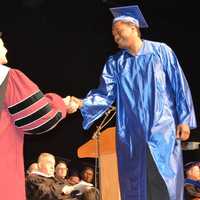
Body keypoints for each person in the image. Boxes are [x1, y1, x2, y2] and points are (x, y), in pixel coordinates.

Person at [70, 5, 197, 200]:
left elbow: (179, 85)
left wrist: (185, 119)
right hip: (131, 134)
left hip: (162, 130)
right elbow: (104, 94)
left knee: (164, 183)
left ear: (133, 28)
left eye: (118, 32)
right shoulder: (115, 63)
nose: (115, 37)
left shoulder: (161, 51)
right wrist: (82, 103)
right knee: (136, 186)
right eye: (113, 34)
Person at [0, 33, 78, 200]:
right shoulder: (7, 77)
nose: (6, 48)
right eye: (2, 44)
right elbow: (39, 117)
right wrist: (62, 104)